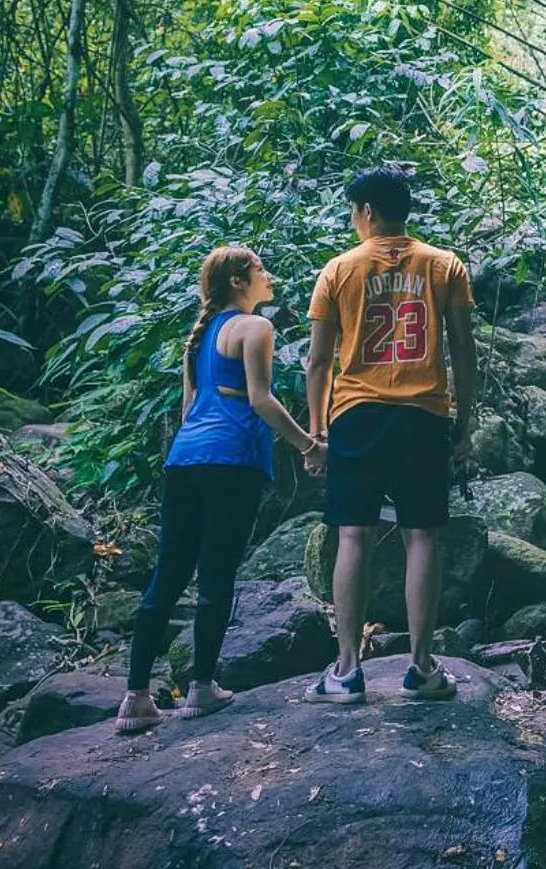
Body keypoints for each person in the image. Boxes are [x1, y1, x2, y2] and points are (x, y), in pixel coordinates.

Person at [117, 246, 325, 735]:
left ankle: (135, 697)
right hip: (232, 460)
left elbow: (190, 409)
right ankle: (201, 688)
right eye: (259, 269)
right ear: (238, 281)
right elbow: (261, 400)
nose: (267, 275)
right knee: (216, 573)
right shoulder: (255, 328)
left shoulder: (199, 337)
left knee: (167, 576)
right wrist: (309, 445)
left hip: (185, 459)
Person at [303, 166, 477, 704]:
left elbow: (317, 362)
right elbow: (462, 353)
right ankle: (422, 668)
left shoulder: (337, 270)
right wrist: (463, 422)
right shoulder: (444, 265)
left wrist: (316, 432)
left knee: (352, 535)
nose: (354, 221)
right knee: (421, 534)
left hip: (356, 412)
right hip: (424, 414)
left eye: (354, 212)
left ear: (369, 212)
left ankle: (348, 670)